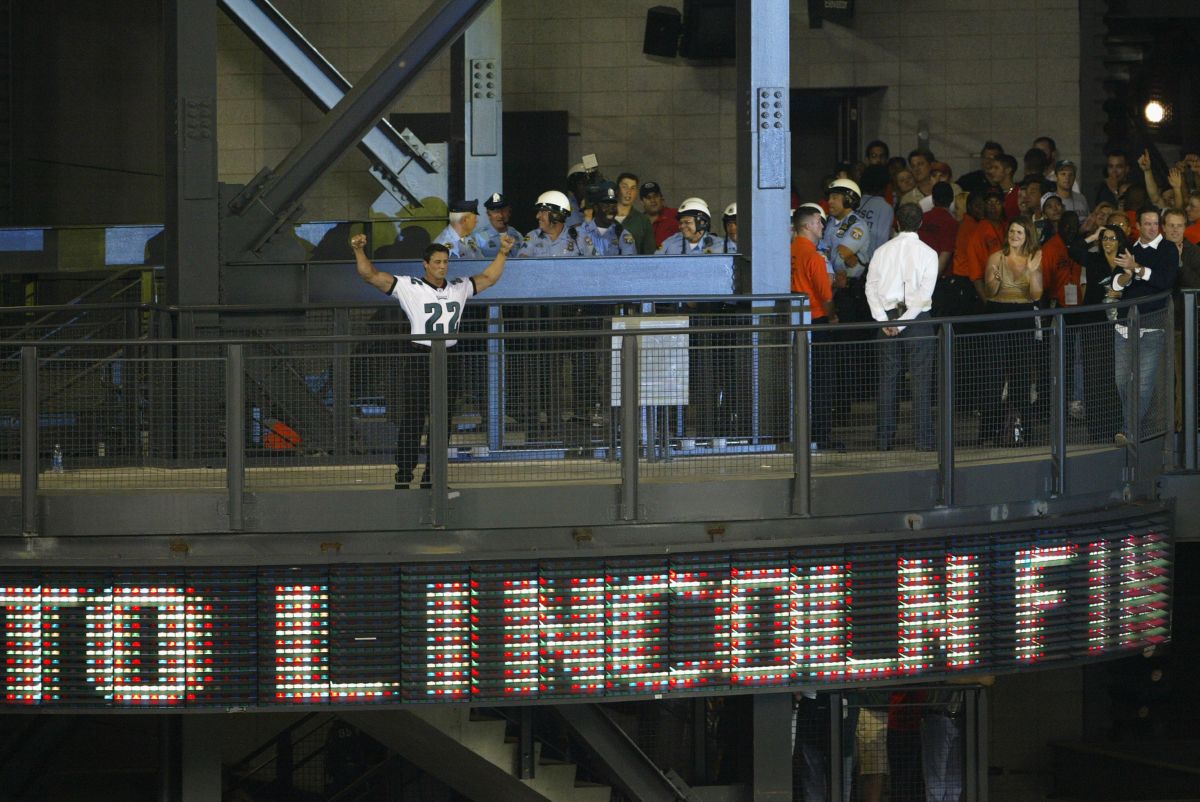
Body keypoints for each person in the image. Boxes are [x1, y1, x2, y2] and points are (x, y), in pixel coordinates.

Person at [349, 232, 515, 489]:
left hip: (448, 358)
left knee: (443, 421)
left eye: (445, 262)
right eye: (436, 262)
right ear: (425, 264)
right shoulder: (409, 286)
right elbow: (370, 275)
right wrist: (359, 250)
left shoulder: (458, 288)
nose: (442, 266)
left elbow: (489, 277)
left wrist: (503, 252)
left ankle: (433, 478)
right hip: (420, 358)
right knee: (413, 418)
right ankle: (404, 476)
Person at [865, 203, 938, 451]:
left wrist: (885, 321)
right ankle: (923, 440)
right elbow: (923, 295)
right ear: (920, 223)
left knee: (887, 380)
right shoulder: (929, 253)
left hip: (886, 319)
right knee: (921, 381)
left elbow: (871, 288)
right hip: (917, 321)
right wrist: (904, 322)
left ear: (896, 222)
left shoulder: (881, 251)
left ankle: (884, 440)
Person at [1111, 207, 1179, 443]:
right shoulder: (1128, 249)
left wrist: (1137, 268)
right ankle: (1132, 427)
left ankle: (1128, 430)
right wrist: (1128, 275)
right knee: (1122, 380)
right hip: (1124, 324)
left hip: (1152, 325)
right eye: (1147, 223)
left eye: (1155, 223)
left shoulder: (1168, 249)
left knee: (1143, 384)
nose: (1152, 228)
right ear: (1138, 225)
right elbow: (1117, 285)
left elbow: (1164, 281)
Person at [980, 216, 1044, 446]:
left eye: (1019, 232)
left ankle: (1021, 431)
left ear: (1027, 236)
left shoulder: (1033, 259)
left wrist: (1032, 271)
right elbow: (989, 291)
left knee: (1022, 376)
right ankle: (989, 431)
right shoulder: (996, 257)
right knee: (993, 376)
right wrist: (995, 280)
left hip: (1023, 317)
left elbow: (1036, 295)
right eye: (1012, 231)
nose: (1014, 236)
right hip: (998, 316)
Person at [1069, 223, 1129, 442]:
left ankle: (1116, 426)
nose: (1108, 242)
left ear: (1120, 241)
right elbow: (1073, 251)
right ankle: (1096, 430)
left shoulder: (1126, 262)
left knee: (1116, 376)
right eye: (1105, 238)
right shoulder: (1094, 260)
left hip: (1120, 326)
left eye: (1112, 238)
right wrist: (1092, 235)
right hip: (1094, 326)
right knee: (1094, 375)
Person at [791, 204, 838, 450]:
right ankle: (821, 436)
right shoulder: (813, 256)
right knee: (821, 382)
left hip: (794, 323)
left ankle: (799, 434)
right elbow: (826, 295)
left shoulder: (789, 252)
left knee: (798, 381)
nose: (822, 226)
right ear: (808, 225)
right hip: (817, 322)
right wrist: (832, 317)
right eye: (819, 222)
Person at [577, 181, 637, 255]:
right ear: (596, 207)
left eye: (614, 206)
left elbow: (629, 264)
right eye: (606, 205)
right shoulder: (579, 233)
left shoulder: (622, 235)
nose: (611, 210)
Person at [518, 190, 582, 256]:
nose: (537, 216)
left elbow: (592, 263)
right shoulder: (532, 237)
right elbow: (521, 264)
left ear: (556, 215)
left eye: (543, 212)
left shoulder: (578, 237)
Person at [656, 198, 722, 254]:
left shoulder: (719, 245)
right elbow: (655, 264)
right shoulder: (670, 243)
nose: (682, 226)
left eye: (687, 222)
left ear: (702, 222)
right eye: (681, 223)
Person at [614, 172, 656, 254]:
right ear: (617, 190)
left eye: (633, 188)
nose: (628, 191)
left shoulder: (643, 221)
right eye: (624, 187)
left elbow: (649, 254)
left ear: (636, 192)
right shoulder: (605, 217)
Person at [474, 192, 518, 258]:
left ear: (509, 212)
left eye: (504, 211)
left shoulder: (517, 235)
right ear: (488, 214)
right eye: (496, 211)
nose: (500, 216)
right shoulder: (478, 237)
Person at [640, 181, 679, 247]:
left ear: (661, 198)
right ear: (642, 202)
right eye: (648, 198)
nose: (653, 200)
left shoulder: (675, 215)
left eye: (656, 196)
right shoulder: (638, 221)